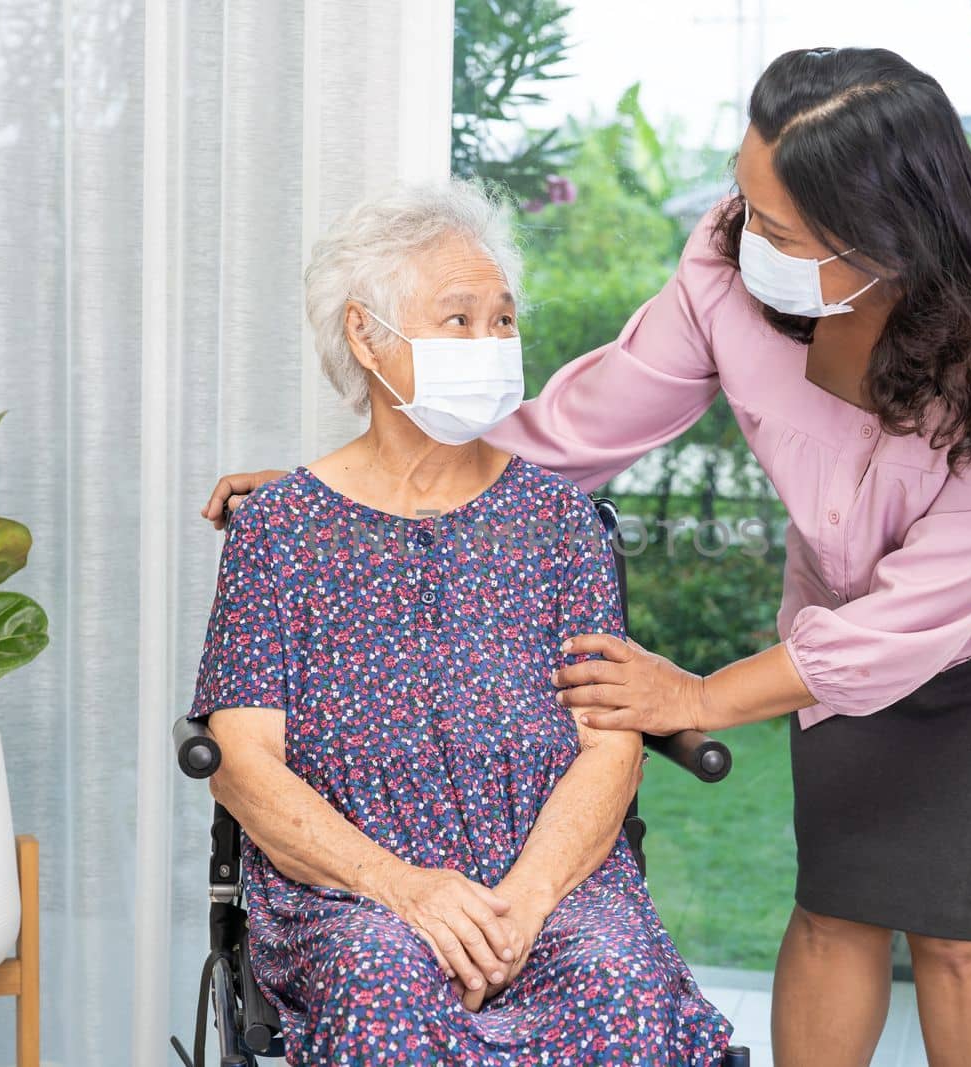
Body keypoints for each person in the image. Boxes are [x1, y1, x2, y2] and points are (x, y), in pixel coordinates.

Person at [202, 47, 971, 1067]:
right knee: (838, 902)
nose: (744, 231)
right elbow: (583, 424)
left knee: (962, 926)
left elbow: (921, 614)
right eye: (745, 197)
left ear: (877, 232)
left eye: (776, 223)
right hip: (841, 605)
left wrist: (694, 696)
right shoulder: (731, 268)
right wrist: (355, 484)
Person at [187, 179, 732, 1065]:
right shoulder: (280, 531)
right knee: (383, 982)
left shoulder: (561, 524)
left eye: (504, 320)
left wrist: (523, 901)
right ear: (366, 334)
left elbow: (610, 745)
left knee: (618, 975)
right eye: (459, 319)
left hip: (552, 883)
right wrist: (407, 890)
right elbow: (244, 763)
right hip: (356, 895)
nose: (491, 342)